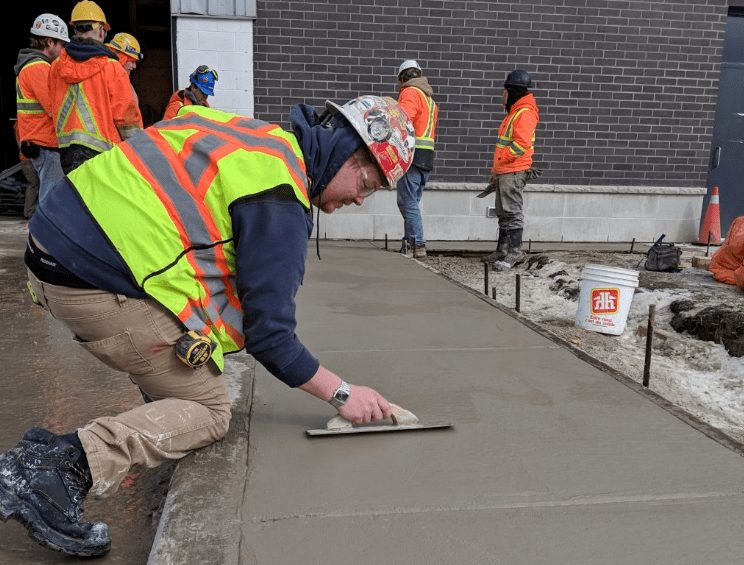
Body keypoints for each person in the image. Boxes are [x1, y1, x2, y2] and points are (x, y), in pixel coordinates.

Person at [0, 95, 415, 558]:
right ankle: (59, 466)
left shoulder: (258, 140)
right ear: (342, 151)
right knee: (209, 411)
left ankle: (142, 404)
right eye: (366, 182)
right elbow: (271, 337)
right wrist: (343, 393)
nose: (360, 198)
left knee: (198, 346)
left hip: (51, 246)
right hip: (89, 281)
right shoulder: (279, 197)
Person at [49, 1, 141, 174]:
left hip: (66, 150)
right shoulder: (111, 67)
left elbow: (51, 105)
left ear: (75, 29)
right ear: (101, 30)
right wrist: (137, 150)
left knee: (76, 199)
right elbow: (126, 117)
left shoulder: (56, 66)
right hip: (102, 153)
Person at [478, 69, 541, 270]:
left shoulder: (524, 113)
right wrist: (496, 169)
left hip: (513, 170)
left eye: (504, 91)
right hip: (506, 170)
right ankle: (503, 250)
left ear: (513, 91)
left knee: (512, 212)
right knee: (504, 212)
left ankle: (515, 252)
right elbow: (506, 145)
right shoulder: (517, 112)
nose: (502, 96)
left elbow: (520, 144)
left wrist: (502, 162)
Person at [14, 13, 69, 208]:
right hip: (46, 143)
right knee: (50, 200)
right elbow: (55, 108)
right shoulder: (39, 68)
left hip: (38, 141)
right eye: (61, 44)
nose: (63, 50)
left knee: (50, 197)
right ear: (49, 42)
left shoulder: (29, 66)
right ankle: (41, 237)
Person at [395, 59, 438, 259]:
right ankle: (409, 242)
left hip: (411, 155)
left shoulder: (410, 92)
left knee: (408, 202)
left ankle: (417, 244)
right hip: (426, 158)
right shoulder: (430, 99)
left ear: (402, 78)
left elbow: (402, 118)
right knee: (412, 201)